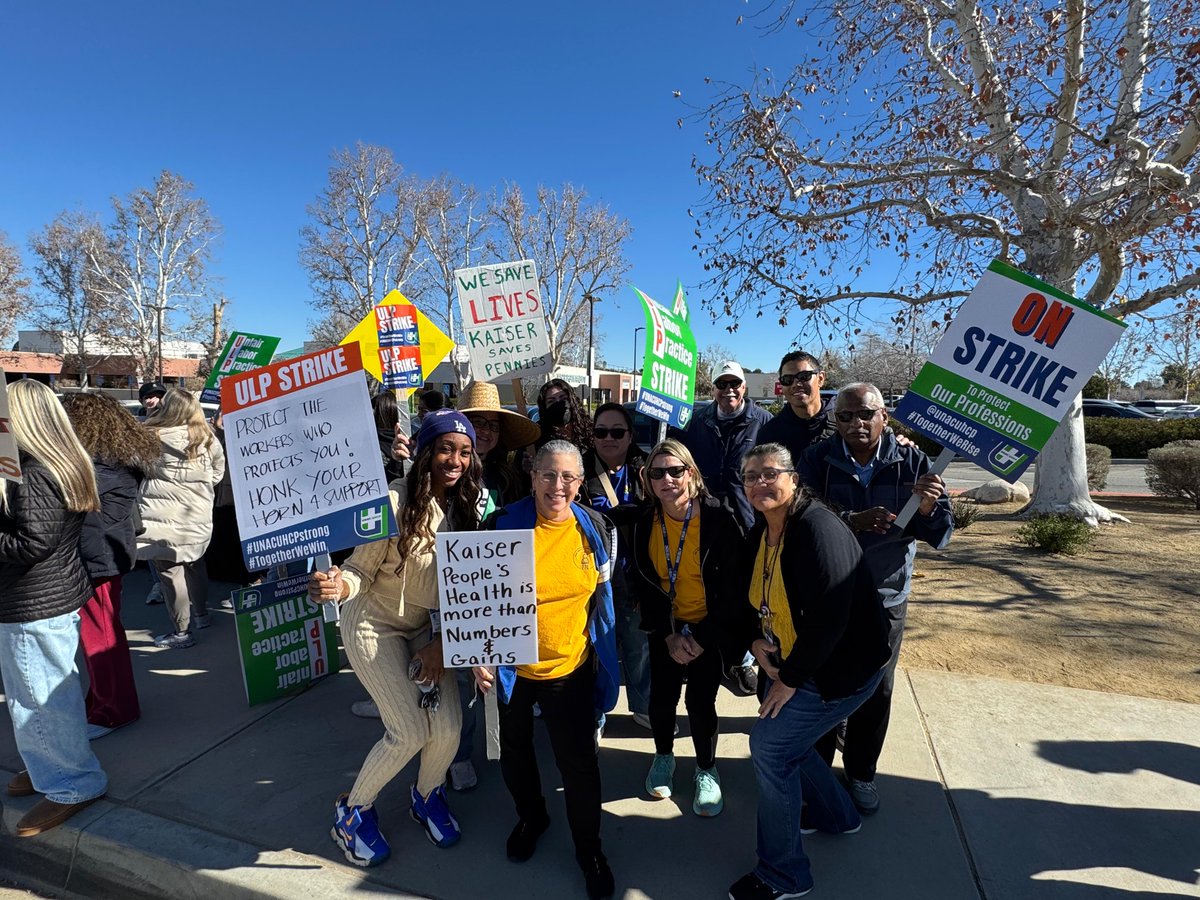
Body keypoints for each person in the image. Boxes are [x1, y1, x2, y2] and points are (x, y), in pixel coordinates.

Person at [309, 408, 481, 867]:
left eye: (464, 452)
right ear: (426, 451)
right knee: (407, 732)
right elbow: (358, 571)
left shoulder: (468, 507)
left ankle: (426, 796)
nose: (455, 460)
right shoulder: (390, 500)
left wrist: (442, 643)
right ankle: (353, 811)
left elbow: (461, 589)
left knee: (446, 729)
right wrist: (336, 586)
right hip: (373, 625)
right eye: (446, 448)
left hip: (426, 633)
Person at [728, 442, 890, 900]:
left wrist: (789, 679)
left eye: (770, 473)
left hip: (841, 670)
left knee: (771, 749)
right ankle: (838, 816)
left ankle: (784, 875)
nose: (760, 482)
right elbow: (749, 598)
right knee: (788, 746)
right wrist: (753, 640)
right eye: (751, 476)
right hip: (803, 662)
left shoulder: (818, 527)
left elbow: (832, 616)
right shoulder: (762, 530)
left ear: (793, 479)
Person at [799, 383, 952, 815]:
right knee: (824, 688)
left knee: (875, 690)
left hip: (885, 595)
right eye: (844, 417)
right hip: (830, 592)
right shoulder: (817, 459)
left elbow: (940, 534)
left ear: (884, 416)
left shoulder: (913, 461)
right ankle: (818, 776)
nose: (855, 424)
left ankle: (862, 772)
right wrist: (852, 519)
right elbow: (802, 513)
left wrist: (926, 510)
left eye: (865, 414)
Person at [475, 440, 619, 900]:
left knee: (578, 765)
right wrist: (479, 653)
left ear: (580, 483)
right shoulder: (499, 526)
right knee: (515, 754)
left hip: (570, 669)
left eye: (569, 478)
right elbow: (473, 598)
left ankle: (589, 849)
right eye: (549, 475)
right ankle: (532, 816)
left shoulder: (595, 528)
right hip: (513, 671)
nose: (558, 486)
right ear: (533, 475)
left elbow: (604, 599)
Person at [0, 379, 109, 837]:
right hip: (45, 597)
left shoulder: (36, 470)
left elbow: (32, 543)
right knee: (45, 696)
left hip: (34, 601)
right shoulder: (60, 461)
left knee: (38, 701)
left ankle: (71, 782)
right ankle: (50, 764)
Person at [626, 439, 744, 816]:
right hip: (668, 628)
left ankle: (707, 770)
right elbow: (646, 583)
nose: (667, 479)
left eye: (675, 470)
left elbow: (733, 591)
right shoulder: (646, 521)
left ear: (691, 474)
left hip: (708, 629)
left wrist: (701, 637)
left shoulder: (719, 519)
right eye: (657, 473)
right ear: (648, 479)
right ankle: (663, 757)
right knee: (661, 699)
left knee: (699, 702)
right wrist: (669, 634)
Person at [443, 380, 540, 791]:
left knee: (501, 672)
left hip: (502, 587)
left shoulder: (511, 477)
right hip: (453, 588)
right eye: (476, 422)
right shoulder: (442, 474)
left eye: (493, 426)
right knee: (462, 678)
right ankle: (459, 755)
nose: (485, 432)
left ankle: (506, 744)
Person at [61, 392, 162, 738]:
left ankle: (112, 710)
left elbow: (77, 502)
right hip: (99, 556)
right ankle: (103, 702)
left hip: (98, 558)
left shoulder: (102, 464)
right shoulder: (111, 458)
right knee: (101, 636)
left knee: (101, 637)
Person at [679, 360, 770, 696]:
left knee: (747, 594)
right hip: (705, 522)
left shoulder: (763, 422)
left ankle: (743, 659)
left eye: (735, 383)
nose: (728, 390)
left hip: (748, 525)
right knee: (704, 587)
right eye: (722, 384)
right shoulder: (698, 421)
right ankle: (696, 651)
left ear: (744, 387)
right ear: (713, 388)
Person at [137, 389, 226, 649]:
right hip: (196, 514)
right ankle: (201, 615)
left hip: (159, 516)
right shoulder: (207, 437)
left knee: (170, 574)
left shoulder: (150, 435)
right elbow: (218, 472)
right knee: (195, 564)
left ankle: (181, 633)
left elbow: (137, 468)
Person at [583, 402, 651, 731]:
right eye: (600, 432)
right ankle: (595, 713)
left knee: (638, 645)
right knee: (596, 651)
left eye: (617, 431)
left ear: (630, 435)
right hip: (593, 578)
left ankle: (642, 704)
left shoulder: (647, 469)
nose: (608, 438)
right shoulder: (579, 471)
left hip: (635, 573)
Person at [756, 351, 836, 460]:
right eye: (787, 380)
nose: (796, 384)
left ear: (820, 378)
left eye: (804, 376)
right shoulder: (770, 434)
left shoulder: (845, 421)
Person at [536, 378, 593, 453]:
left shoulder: (588, 428)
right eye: (551, 401)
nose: (558, 403)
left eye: (563, 398)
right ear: (544, 406)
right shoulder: (536, 434)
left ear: (572, 400)